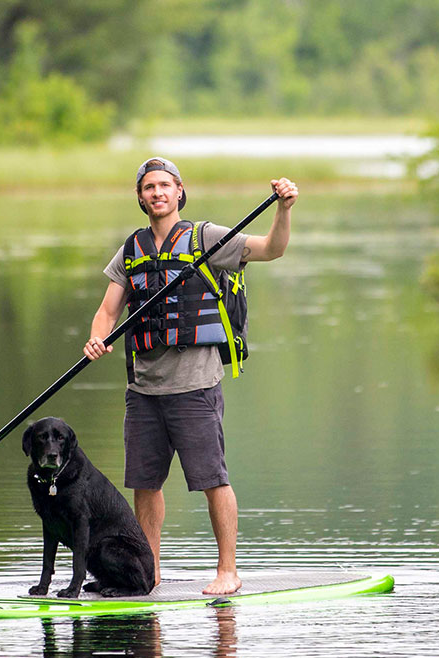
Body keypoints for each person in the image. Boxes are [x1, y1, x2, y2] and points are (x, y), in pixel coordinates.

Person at [82, 157, 297, 595]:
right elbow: (107, 311)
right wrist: (96, 339)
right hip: (142, 389)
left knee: (212, 480)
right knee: (145, 484)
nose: (156, 193)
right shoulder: (131, 250)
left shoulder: (207, 238)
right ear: (140, 197)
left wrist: (284, 209)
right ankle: (149, 571)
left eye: (164, 185)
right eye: (148, 187)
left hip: (196, 386)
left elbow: (272, 249)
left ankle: (228, 571)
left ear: (180, 191)